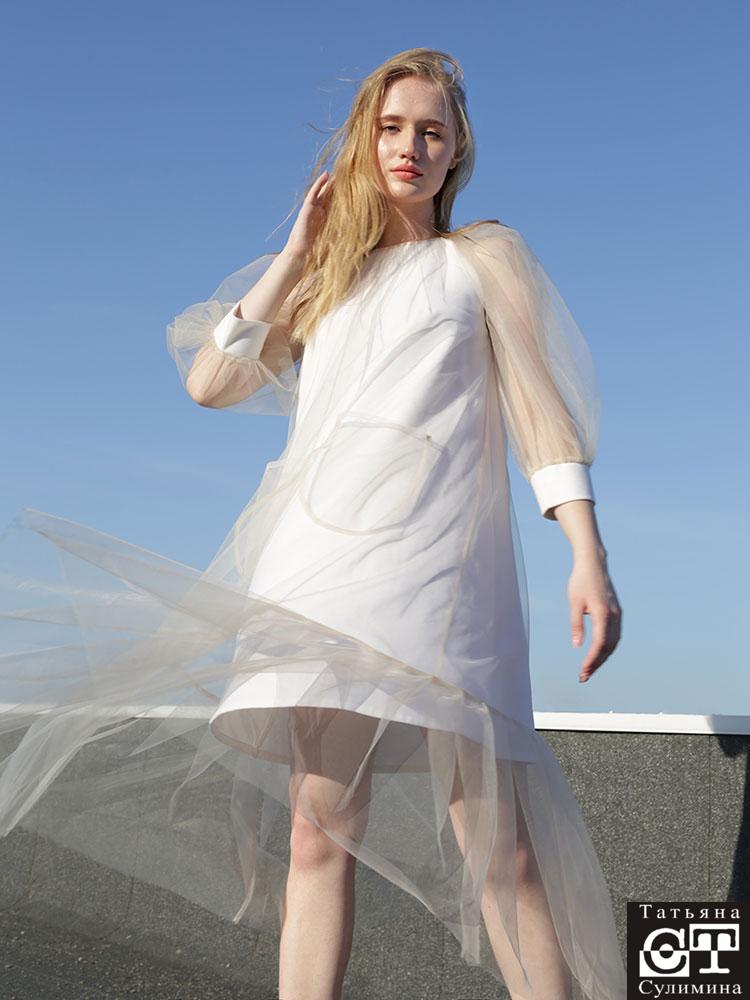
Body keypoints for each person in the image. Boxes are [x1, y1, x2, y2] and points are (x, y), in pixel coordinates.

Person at [0, 47, 625, 1000]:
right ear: (363, 141)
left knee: (496, 848)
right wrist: (298, 252)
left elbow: (540, 411)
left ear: (458, 151)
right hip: (320, 569)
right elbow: (211, 383)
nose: (410, 147)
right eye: (390, 128)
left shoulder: (482, 258)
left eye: (432, 131)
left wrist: (586, 550)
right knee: (316, 831)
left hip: (440, 572)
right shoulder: (326, 277)